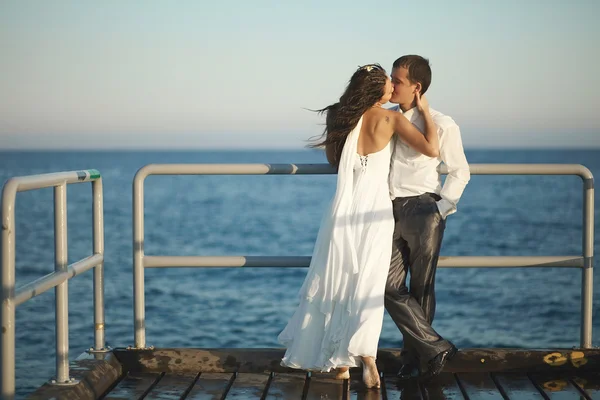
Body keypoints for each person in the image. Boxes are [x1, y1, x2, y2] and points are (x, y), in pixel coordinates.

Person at [278, 64, 440, 389]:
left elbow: (333, 161)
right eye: (387, 86)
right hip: (374, 211)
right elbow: (432, 148)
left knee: (336, 279)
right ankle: (366, 357)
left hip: (343, 207)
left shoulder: (340, 116)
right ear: (376, 90)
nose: (392, 90)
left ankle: (339, 364)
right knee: (368, 283)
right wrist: (424, 110)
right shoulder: (391, 119)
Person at [385, 55, 470, 380]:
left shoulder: (442, 123)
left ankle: (415, 361)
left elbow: (461, 172)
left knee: (422, 287)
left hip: (424, 209)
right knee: (386, 285)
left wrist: (440, 208)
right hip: (389, 210)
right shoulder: (387, 118)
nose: (391, 85)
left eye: (398, 81)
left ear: (416, 87)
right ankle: (436, 347)